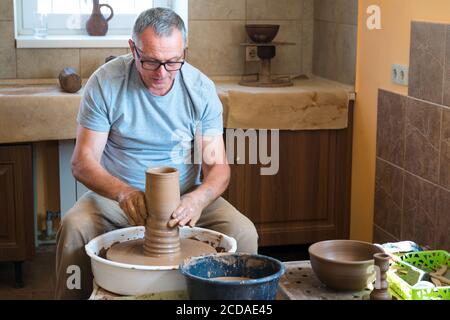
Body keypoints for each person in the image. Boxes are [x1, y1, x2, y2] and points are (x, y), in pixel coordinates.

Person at [55, 7, 258, 299]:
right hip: (117, 197)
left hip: (184, 198)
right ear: (132, 49)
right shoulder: (106, 83)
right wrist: (124, 193)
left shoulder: (199, 89)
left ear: (184, 52)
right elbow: (82, 161)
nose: (162, 73)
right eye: (150, 61)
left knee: (243, 232)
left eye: (173, 61)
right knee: (74, 229)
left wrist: (198, 199)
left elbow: (218, 168)